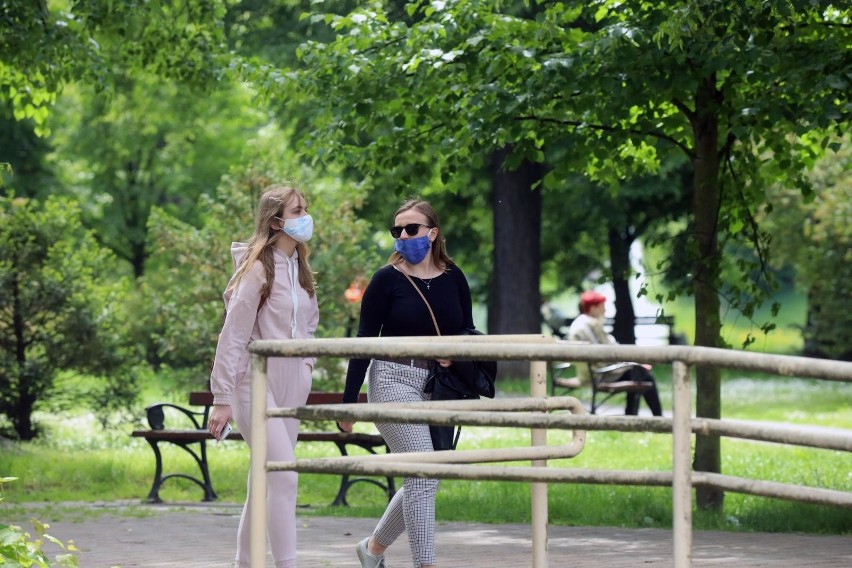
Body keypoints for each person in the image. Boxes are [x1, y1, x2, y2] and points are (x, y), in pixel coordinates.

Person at [339, 198, 475, 568]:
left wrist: (455, 350)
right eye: (396, 230)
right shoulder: (386, 280)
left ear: (432, 233)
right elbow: (364, 338)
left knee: (426, 476)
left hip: (437, 383)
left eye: (410, 229)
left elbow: (466, 327)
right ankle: (425, 564)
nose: (402, 235)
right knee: (423, 470)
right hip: (391, 378)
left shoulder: (454, 276)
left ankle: (372, 550)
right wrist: (349, 400)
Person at [207, 184, 319, 568]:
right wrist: (221, 397)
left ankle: (244, 563)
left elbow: (311, 323)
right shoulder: (257, 268)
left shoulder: (301, 269)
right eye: (296, 211)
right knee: (284, 478)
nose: (305, 217)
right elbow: (233, 334)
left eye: (305, 208)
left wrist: (306, 366)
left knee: (264, 484)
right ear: (275, 222)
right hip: (254, 383)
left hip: (293, 383)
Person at [568, 290, 663, 416]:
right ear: (593, 308)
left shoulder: (580, 324)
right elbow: (607, 353)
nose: (604, 311)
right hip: (599, 374)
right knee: (643, 375)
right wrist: (630, 364)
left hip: (589, 373)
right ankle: (651, 418)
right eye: (602, 307)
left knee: (637, 371)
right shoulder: (592, 324)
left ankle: (632, 415)